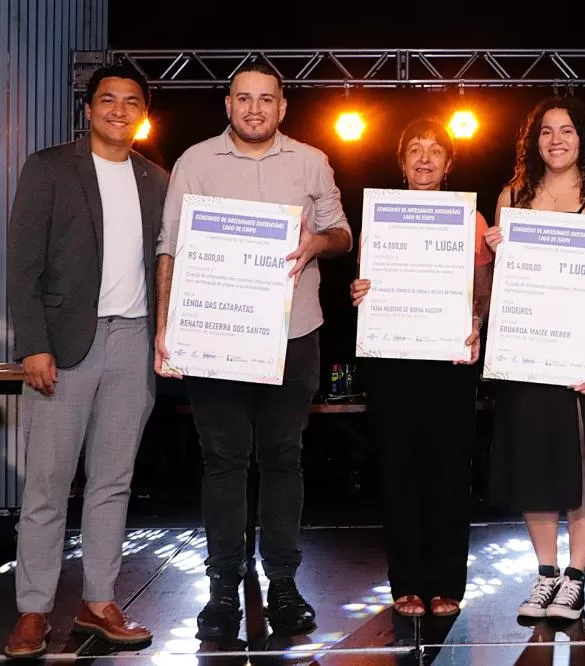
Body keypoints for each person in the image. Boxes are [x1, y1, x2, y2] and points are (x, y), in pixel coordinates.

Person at [154, 60, 353, 639]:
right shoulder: (195, 161)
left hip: (294, 335)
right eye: (244, 98)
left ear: (283, 106)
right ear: (228, 104)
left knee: (284, 459)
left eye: (266, 98)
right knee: (223, 462)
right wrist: (165, 326)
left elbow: (343, 235)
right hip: (217, 337)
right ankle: (223, 590)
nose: (255, 108)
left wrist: (317, 241)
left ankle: (283, 584)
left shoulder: (312, 161)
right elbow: (170, 247)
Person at [4, 64, 168, 658]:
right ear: (89, 109)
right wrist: (33, 344)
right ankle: (32, 611)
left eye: (131, 102)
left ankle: (99, 602)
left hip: (134, 342)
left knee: (112, 483)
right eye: (108, 100)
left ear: (143, 113)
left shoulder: (158, 179)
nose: (119, 110)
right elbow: (22, 263)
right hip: (64, 346)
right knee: (47, 486)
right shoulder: (49, 168)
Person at [485, 96, 585, 621]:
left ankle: (576, 578)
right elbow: (501, 282)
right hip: (528, 350)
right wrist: (498, 251)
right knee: (535, 461)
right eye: (546, 131)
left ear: (583, 137)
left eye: (566, 130)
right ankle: (545, 573)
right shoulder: (512, 196)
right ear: (534, 141)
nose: (556, 140)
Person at [349, 118, 493, 618]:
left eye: (435, 150)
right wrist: (358, 291)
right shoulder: (380, 215)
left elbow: (482, 289)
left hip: (449, 359)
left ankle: (446, 582)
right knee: (398, 471)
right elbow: (366, 282)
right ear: (402, 161)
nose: (425, 158)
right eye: (415, 149)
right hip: (393, 359)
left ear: (449, 163)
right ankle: (407, 584)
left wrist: (476, 320)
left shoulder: (471, 219)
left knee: (450, 471)